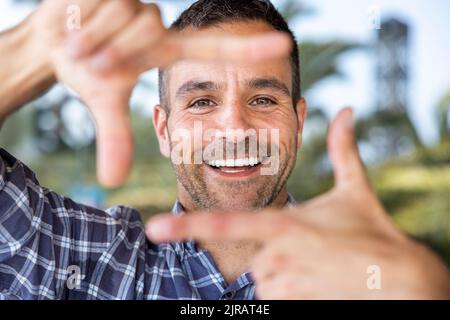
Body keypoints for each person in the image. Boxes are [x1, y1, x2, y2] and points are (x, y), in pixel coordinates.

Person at [0, 0, 449, 300]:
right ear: (163, 128)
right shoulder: (73, 254)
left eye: (263, 99)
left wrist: (430, 290)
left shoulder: (364, 279)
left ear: (298, 120)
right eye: (201, 102)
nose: (234, 128)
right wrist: (28, 51)